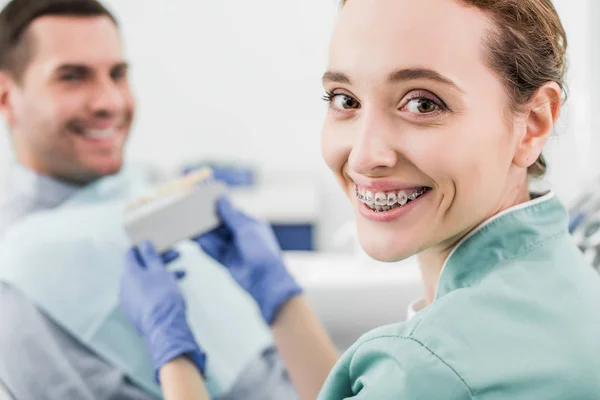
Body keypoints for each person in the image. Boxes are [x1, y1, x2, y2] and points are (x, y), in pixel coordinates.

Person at [120, 0, 600, 398]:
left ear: (534, 123)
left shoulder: (429, 365)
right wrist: (278, 298)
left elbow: (422, 375)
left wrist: (173, 355)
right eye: (344, 100)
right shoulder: (562, 279)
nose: (365, 156)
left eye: (422, 103)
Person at [0, 0, 297, 399]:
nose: (109, 102)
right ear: (6, 97)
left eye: (118, 74)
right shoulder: (18, 283)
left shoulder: (143, 203)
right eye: (72, 77)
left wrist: (282, 302)